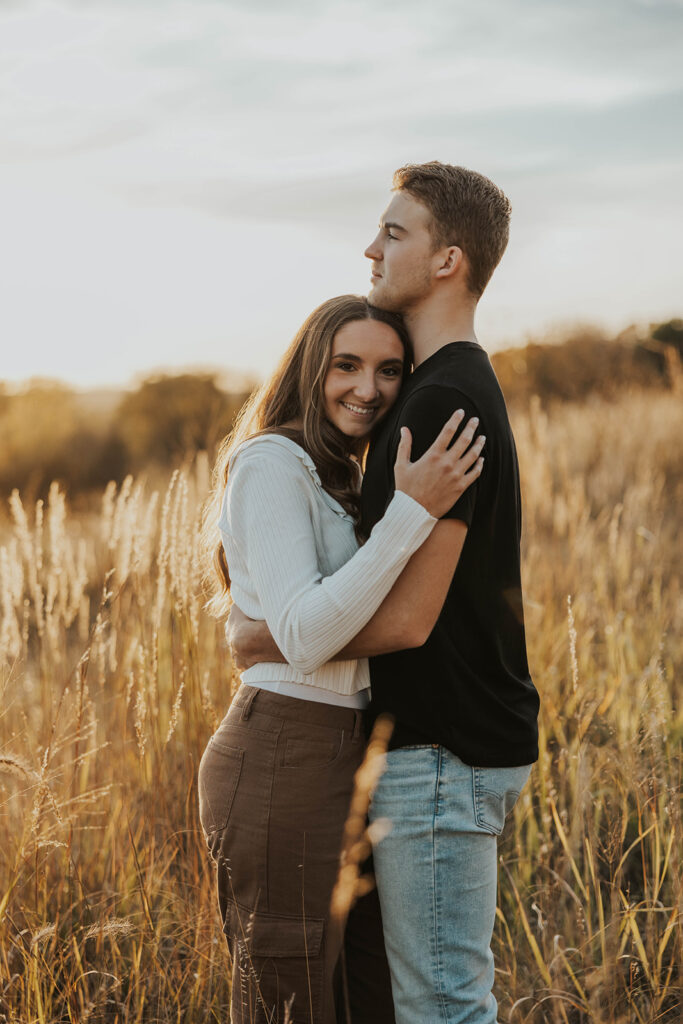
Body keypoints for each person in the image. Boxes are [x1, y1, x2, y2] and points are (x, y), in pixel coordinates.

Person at [229, 162, 540, 1023]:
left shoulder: (441, 399)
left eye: (394, 232)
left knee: (441, 1006)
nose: (372, 247)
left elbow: (405, 620)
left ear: (447, 260)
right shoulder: (442, 387)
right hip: (442, 749)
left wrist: (269, 638)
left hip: (440, 752)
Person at [198, 293, 484, 1024]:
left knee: (365, 994)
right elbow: (306, 631)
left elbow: (312, 625)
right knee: (288, 995)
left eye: (389, 370)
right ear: (308, 367)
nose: (368, 388)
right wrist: (411, 511)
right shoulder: (271, 463)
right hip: (282, 750)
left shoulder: (341, 478)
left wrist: (277, 633)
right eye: (346, 365)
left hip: (348, 748)